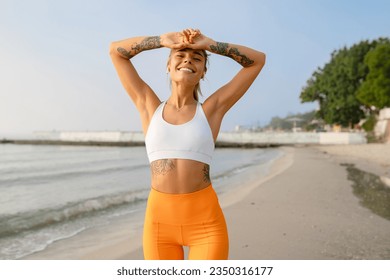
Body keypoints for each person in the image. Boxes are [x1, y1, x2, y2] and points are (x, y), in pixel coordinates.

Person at [109, 28, 265, 260]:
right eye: (180, 55)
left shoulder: (212, 110)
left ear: (203, 72)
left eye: (196, 58)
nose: (188, 60)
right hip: (159, 226)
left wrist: (211, 45)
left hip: (205, 225)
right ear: (168, 66)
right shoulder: (149, 106)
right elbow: (116, 52)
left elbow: (257, 61)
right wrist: (161, 41)